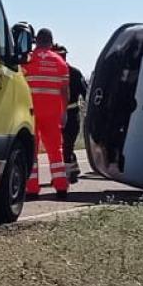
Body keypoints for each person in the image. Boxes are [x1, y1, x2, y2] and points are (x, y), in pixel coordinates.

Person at [22, 28, 71, 198]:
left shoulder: (27, 60)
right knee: (55, 150)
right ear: (51, 42)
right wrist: (64, 112)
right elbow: (65, 91)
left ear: (36, 41)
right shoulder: (60, 62)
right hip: (52, 112)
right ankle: (61, 187)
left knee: (31, 151)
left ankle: (31, 188)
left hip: (30, 112)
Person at [55, 44, 87, 184]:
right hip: (56, 114)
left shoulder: (74, 73)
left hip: (71, 114)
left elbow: (86, 93)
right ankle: (70, 170)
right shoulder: (52, 74)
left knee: (67, 146)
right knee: (61, 147)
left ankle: (67, 174)